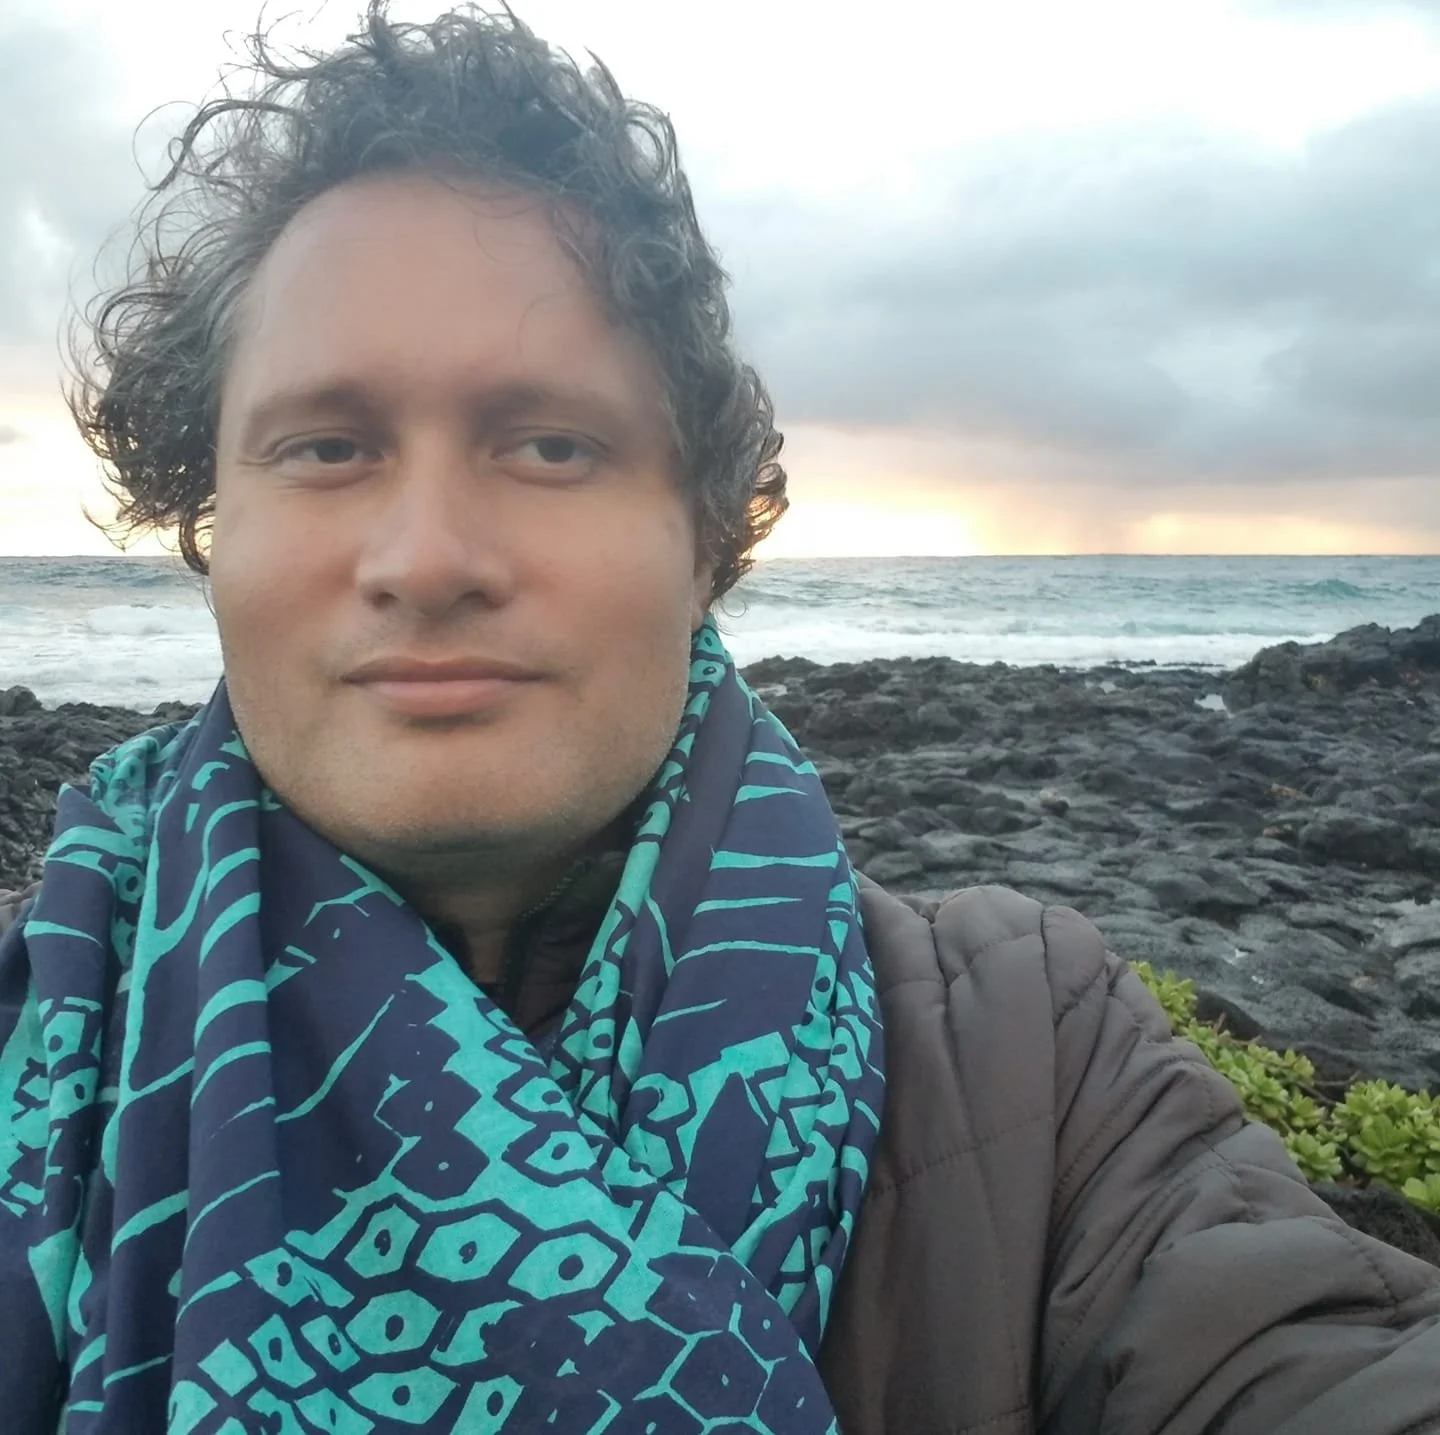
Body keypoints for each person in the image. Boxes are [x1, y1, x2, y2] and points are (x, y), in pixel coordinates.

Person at [1, 7, 1437, 1432]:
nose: (426, 555)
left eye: (550, 444)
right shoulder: (35, 1025)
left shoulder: (1029, 1056)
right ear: (212, 527)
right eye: (326, 446)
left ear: (703, 540)